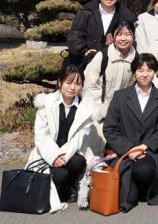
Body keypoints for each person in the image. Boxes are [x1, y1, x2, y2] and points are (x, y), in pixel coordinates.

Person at [27, 64, 102, 213]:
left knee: (79, 162)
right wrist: (54, 156)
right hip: (46, 153)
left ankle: (68, 185)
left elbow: (78, 139)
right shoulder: (46, 103)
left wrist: (63, 157)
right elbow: (42, 136)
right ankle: (64, 189)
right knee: (60, 175)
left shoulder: (86, 108)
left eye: (78, 83)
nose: (73, 87)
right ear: (60, 83)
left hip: (70, 152)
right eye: (69, 82)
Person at [102, 53, 158, 212]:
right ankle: (133, 190)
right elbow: (110, 128)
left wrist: (144, 147)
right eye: (140, 70)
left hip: (148, 150)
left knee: (145, 170)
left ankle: (140, 188)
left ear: (155, 72)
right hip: (122, 152)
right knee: (129, 196)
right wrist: (128, 149)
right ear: (134, 72)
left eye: (149, 70)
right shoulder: (120, 96)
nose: (145, 74)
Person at [84, 20, 138, 138]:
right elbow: (90, 85)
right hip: (99, 112)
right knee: (96, 147)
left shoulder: (136, 59)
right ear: (113, 36)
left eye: (127, 34)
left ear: (133, 36)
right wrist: (104, 108)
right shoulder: (102, 56)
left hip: (122, 113)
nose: (123, 38)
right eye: (119, 34)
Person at [66, 0, 137, 69]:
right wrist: (84, 50)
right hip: (85, 61)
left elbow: (131, 39)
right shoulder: (87, 12)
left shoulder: (126, 16)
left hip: (112, 63)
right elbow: (75, 35)